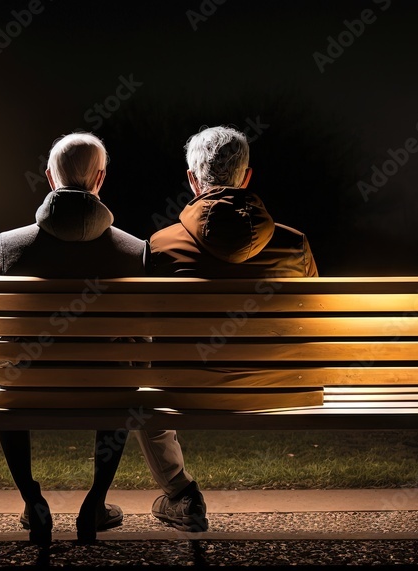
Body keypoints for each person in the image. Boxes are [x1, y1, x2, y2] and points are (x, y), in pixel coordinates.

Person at [137, 125, 319, 532]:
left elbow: (145, 330)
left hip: (186, 387)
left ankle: (180, 493)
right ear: (247, 176)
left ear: (191, 179)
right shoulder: (295, 244)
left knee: (142, 389)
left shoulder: (160, 247)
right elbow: (312, 324)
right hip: (284, 385)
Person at [0, 132, 147, 545]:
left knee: (5, 385)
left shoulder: (10, 246)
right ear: (101, 179)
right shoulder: (133, 251)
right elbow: (144, 339)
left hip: (26, 391)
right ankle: (95, 503)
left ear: (50, 179)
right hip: (108, 390)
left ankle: (32, 500)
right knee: (123, 378)